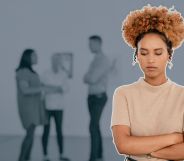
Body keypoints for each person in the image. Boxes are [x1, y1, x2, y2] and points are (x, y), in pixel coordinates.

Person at [110, 5, 184, 161]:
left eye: (158, 53)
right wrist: (174, 138)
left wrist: (145, 151)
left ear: (169, 55)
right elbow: (123, 145)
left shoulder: (182, 95)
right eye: (144, 53)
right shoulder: (123, 93)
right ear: (136, 56)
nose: (151, 60)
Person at [15, 49, 49, 161]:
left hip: (34, 107)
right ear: (27, 57)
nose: (36, 57)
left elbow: (35, 86)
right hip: (27, 108)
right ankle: (22, 158)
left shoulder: (31, 72)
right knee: (29, 134)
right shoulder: (23, 71)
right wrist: (41, 88)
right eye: (34, 56)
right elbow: (24, 90)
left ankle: (26, 158)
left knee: (31, 134)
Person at [83, 35, 113, 161]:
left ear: (98, 44)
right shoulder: (95, 59)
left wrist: (89, 77)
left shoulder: (103, 60)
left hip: (99, 97)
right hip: (91, 97)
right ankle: (99, 154)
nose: (89, 46)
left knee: (92, 126)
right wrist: (89, 77)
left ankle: (93, 157)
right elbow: (85, 77)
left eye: (91, 44)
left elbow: (91, 78)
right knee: (95, 126)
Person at [41, 53, 70, 161]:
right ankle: (45, 155)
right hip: (47, 107)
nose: (56, 62)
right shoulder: (45, 73)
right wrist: (57, 88)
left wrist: (51, 88)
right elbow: (43, 88)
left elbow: (65, 89)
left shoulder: (63, 74)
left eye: (58, 60)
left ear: (60, 62)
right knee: (46, 131)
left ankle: (61, 154)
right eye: (54, 60)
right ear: (51, 61)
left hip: (59, 108)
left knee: (59, 131)